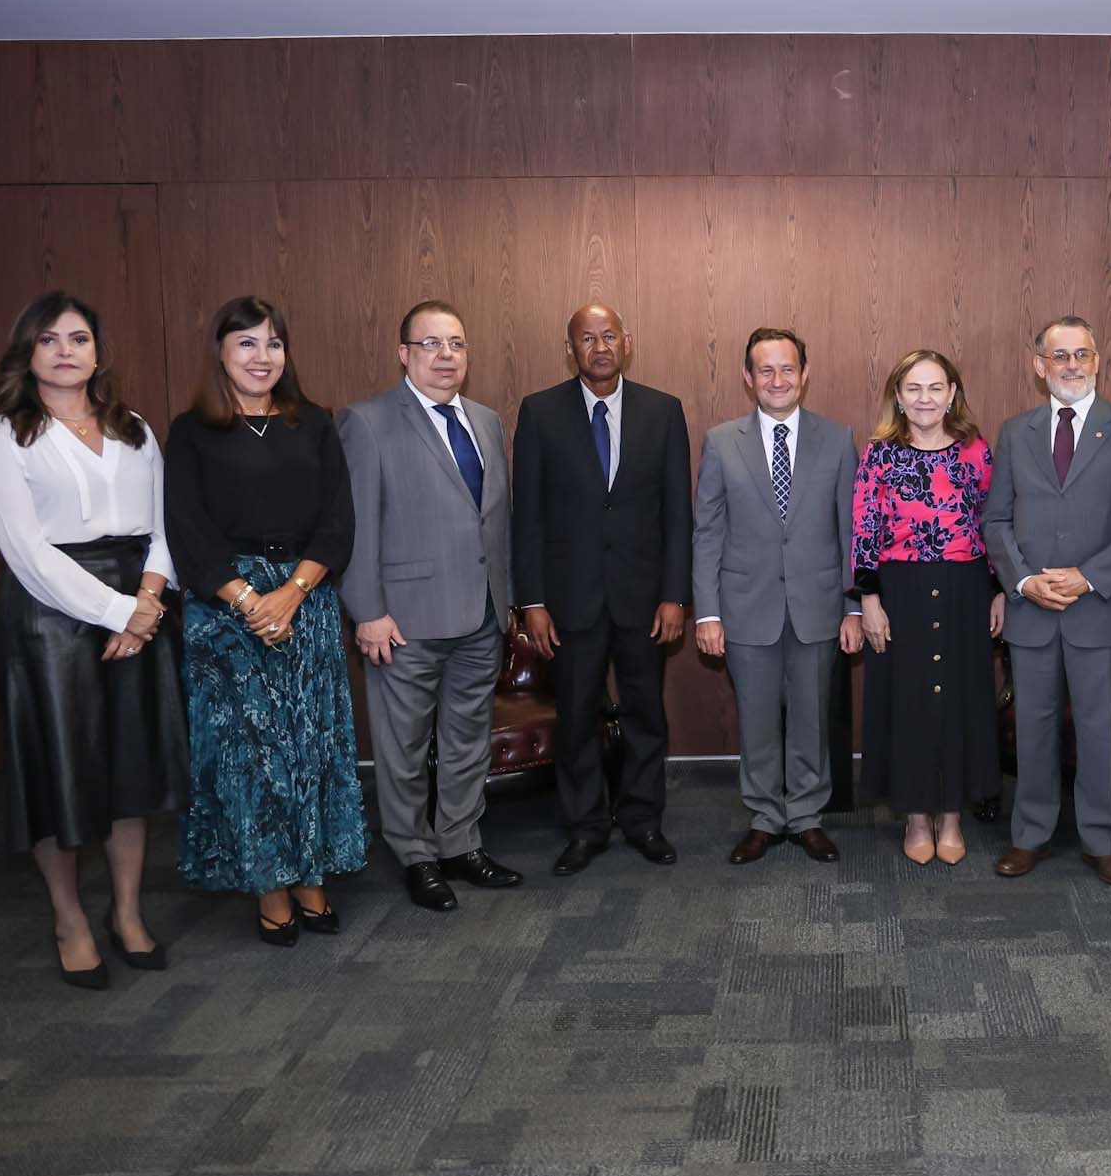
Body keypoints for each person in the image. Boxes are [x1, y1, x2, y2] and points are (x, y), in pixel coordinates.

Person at [0, 292, 186, 989]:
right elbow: (26, 552)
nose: (65, 350)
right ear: (27, 352)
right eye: (49, 339)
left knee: (130, 767)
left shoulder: (135, 428)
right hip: (49, 617)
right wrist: (119, 613)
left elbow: (164, 529)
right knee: (57, 769)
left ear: (98, 352)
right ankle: (68, 918)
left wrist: (147, 603)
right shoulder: (5, 435)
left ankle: (126, 911)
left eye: (78, 338)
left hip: (141, 601)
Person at [165, 297, 363, 946]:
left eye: (273, 343)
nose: (262, 356)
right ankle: (269, 885)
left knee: (310, 750)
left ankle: (310, 877)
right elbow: (187, 529)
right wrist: (251, 601)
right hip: (227, 612)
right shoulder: (192, 431)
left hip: (307, 599)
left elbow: (339, 519)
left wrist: (291, 595)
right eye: (246, 343)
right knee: (250, 759)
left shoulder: (316, 423)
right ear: (220, 353)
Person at [338, 300, 522, 914]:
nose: (446, 355)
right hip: (403, 620)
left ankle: (461, 843)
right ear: (404, 354)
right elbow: (357, 527)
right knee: (404, 747)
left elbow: (495, 520)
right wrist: (367, 611)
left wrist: (508, 599)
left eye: (456, 344)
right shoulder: (367, 423)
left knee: (469, 740)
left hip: (482, 614)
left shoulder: (486, 421)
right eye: (431, 344)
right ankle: (416, 854)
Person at [513, 303, 693, 876]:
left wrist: (675, 595)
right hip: (570, 602)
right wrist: (533, 602)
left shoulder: (664, 411)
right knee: (576, 718)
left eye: (608, 335)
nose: (599, 347)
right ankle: (585, 826)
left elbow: (677, 516)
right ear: (571, 349)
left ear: (627, 342)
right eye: (586, 338)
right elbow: (527, 518)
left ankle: (642, 819)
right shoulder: (540, 412)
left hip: (645, 599)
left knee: (646, 714)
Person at [983, 316, 1111, 889]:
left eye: (1082, 354)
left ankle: (1102, 839)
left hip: (1098, 607)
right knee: (1032, 726)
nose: (1072, 365)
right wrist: (1023, 582)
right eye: (1060, 356)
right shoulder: (1016, 432)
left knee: (1100, 729)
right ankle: (1030, 834)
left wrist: (1087, 577)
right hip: (1033, 607)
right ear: (1040, 366)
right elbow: (996, 519)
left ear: (1098, 360)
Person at [694, 328, 862, 866]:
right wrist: (708, 613)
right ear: (748, 378)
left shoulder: (837, 439)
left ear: (804, 374)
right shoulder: (722, 441)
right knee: (758, 721)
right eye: (765, 370)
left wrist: (853, 606)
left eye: (787, 368)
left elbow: (851, 532)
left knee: (812, 720)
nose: (777, 380)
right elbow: (707, 532)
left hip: (818, 608)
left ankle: (807, 816)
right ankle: (765, 816)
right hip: (745, 609)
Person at [852, 349, 1005, 865]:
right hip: (901, 592)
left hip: (966, 589)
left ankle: (953, 815)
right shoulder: (879, 454)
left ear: (952, 393)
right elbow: (864, 528)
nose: (925, 398)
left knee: (961, 699)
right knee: (909, 702)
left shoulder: (976, 450)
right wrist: (869, 599)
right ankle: (917, 816)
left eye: (935, 387)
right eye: (913, 388)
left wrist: (999, 589)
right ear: (898, 396)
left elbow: (993, 522)